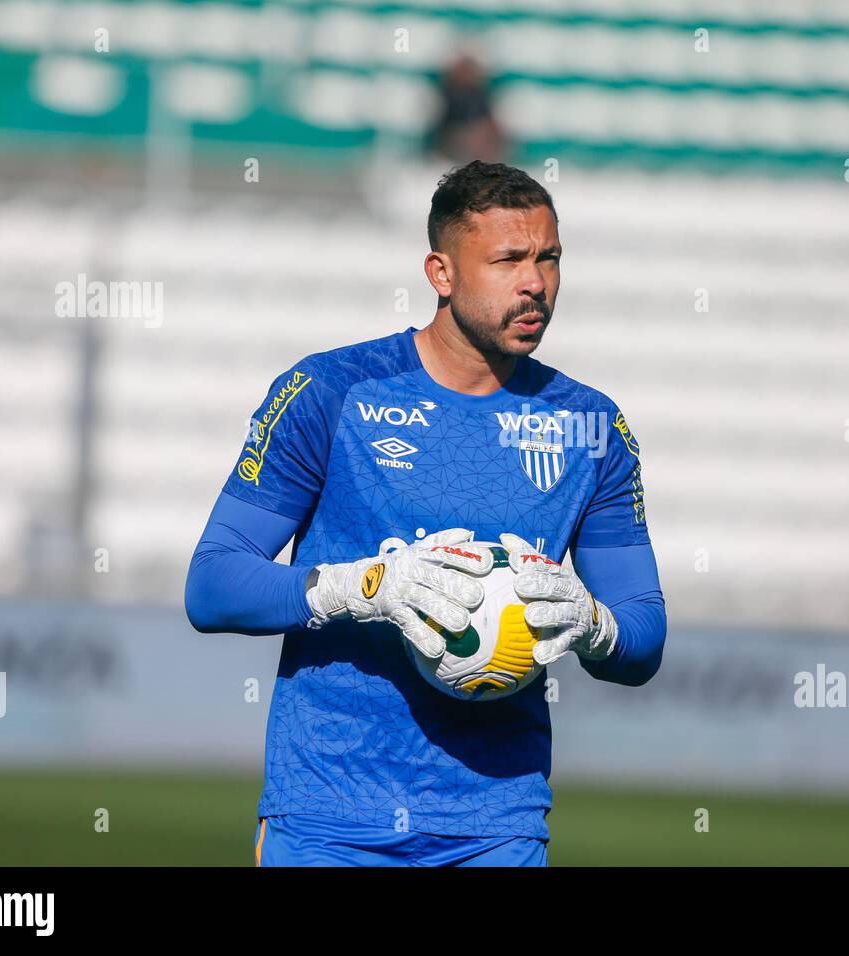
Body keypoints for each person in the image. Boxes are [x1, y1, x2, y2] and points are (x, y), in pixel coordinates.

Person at [184, 161, 666, 866]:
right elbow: (213, 584)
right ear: (441, 273)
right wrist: (363, 588)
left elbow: (644, 634)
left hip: (497, 822)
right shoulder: (330, 392)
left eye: (548, 258)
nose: (535, 283)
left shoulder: (591, 426)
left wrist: (594, 624)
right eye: (507, 260)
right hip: (328, 816)